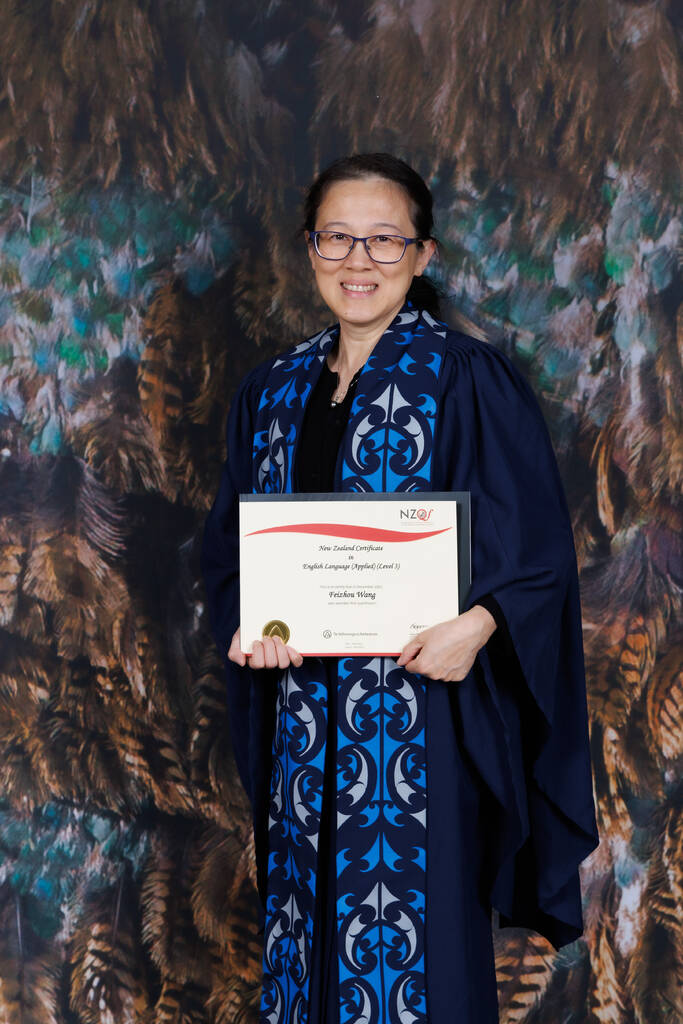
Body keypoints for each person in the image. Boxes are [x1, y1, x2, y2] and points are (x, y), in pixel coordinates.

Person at [201, 153, 599, 1024]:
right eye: (338, 237)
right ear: (310, 249)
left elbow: (535, 550)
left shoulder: (465, 379)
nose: (359, 260)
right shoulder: (270, 391)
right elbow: (231, 549)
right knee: (304, 943)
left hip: (421, 724)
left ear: (422, 256)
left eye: (384, 240)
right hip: (302, 728)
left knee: (415, 953)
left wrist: (481, 626)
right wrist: (248, 624)